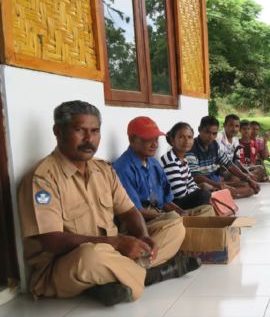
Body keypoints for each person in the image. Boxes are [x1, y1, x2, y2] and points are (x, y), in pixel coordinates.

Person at [17, 101, 199, 307]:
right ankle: (150, 275)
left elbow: (129, 210)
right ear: (57, 131)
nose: (89, 139)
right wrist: (118, 243)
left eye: (95, 131)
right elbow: (51, 241)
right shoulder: (42, 179)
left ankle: (115, 277)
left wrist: (143, 236)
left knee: (174, 224)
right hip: (66, 263)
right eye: (79, 130)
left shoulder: (102, 170)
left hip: (113, 251)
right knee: (91, 256)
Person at [113, 117, 213, 219]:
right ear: (132, 139)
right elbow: (135, 212)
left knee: (207, 210)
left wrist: (181, 213)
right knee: (180, 222)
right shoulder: (123, 168)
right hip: (142, 222)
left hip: (162, 215)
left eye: (156, 139)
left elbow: (166, 201)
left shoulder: (154, 163)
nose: (155, 145)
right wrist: (169, 216)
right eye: (148, 140)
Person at [186, 116, 260, 199]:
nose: (211, 137)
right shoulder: (191, 148)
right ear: (199, 130)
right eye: (207, 132)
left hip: (215, 181)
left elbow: (229, 165)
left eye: (214, 134)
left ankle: (227, 195)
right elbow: (197, 177)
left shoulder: (214, 145)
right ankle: (227, 195)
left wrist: (248, 179)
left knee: (247, 185)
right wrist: (219, 185)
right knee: (248, 190)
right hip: (203, 184)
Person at [159, 122, 213, 210]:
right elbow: (180, 194)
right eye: (181, 137)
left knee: (206, 191)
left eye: (189, 137)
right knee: (203, 194)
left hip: (183, 196)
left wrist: (197, 188)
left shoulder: (183, 158)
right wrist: (199, 190)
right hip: (172, 204)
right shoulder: (171, 161)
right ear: (172, 140)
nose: (187, 141)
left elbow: (191, 182)